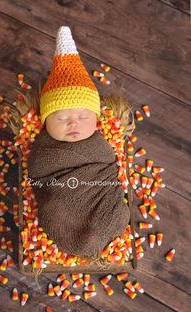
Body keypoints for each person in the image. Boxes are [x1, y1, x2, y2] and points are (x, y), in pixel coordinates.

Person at [28, 26, 130, 259]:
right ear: (45, 123)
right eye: (61, 118)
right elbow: (38, 175)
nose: (73, 124)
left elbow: (108, 168)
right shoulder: (43, 150)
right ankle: (84, 241)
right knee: (53, 211)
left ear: (96, 119)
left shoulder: (99, 144)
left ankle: (99, 234)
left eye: (83, 117)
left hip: (100, 194)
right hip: (61, 200)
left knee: (116, 214)